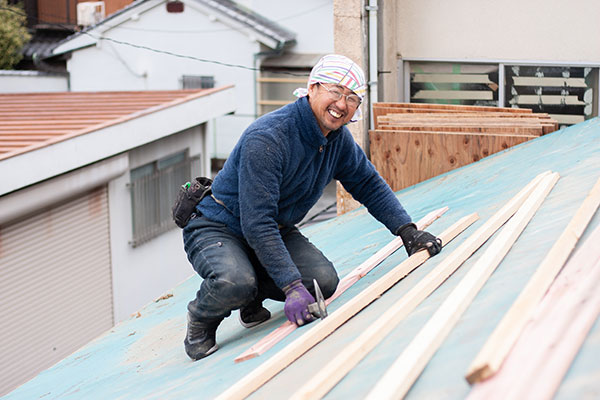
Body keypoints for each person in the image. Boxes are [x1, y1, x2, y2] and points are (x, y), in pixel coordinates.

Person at [181, 54, 442, 361]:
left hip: (273, 229)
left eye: (352, 98)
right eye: (335, 91)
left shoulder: (337, 141)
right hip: (219, 225)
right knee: (234, 281)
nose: (342, 104)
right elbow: (257, 223)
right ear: (313, 88)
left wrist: (407, 233)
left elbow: (368, 185)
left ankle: (254, 291)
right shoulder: (268, 138)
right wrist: (290, 286)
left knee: (324, 282)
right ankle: (202, 318)